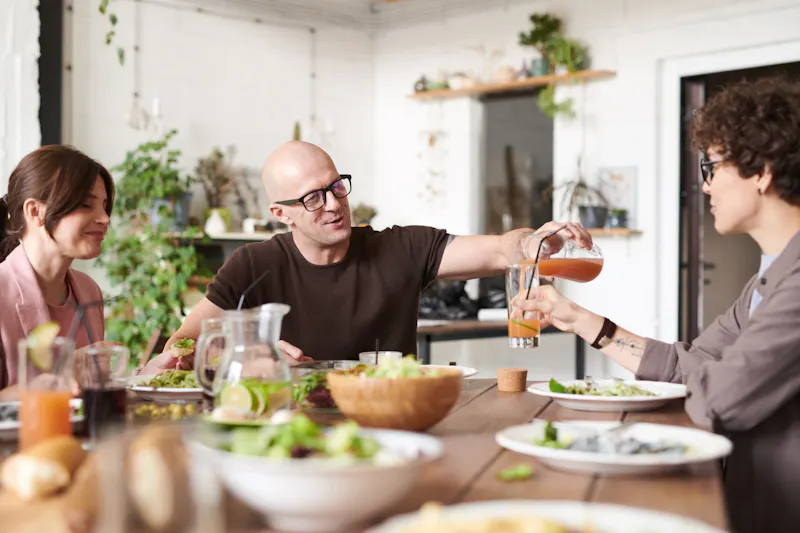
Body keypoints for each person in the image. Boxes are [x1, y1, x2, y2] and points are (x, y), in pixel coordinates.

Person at [514, 77, 800, 533]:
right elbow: (693, 364)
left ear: (761, 171)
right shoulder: (766, 280)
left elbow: (720, 398)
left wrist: (706, 380)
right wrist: (581, 320)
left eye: (712, 167)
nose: (705, 186)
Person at [141, 140, 592, 373]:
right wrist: (247, 352)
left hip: (393, 420)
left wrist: (531, 242)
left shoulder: (402, 248)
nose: (334, 204)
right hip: (290, 426)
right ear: (281, 214)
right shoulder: (252, 265)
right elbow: (180, 346)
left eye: (336, 186)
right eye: (313, 198)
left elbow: (498, 248)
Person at [0, 146, 114, 398]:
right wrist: (45, 384)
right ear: (35, 211)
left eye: (105, 206)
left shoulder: (89, 290)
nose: (105, 218)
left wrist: (152, 371)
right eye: (86, 204)